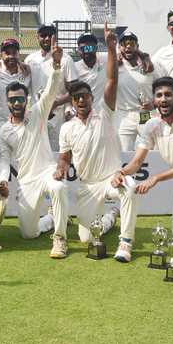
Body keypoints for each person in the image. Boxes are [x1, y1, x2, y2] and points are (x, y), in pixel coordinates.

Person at [56, 24, 138, 262]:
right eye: (77, 97)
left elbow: (111, 79)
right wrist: (61, 167)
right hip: (87, 186)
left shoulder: (105, 113)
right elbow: (64, 156)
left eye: (85, 96)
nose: (82, 100)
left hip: (112, 178)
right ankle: (111, 217)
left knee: (129, 187)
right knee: (85, 238)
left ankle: (126, 243)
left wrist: (112, 48)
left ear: (92, 98)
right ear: (72, 102)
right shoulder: (67, 127)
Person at [115, 77, 173, 268]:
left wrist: (155, 178)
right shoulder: (152, 125)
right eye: (159, 95)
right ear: (154, 100)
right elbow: (137, 162)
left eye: (168, 95)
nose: (163, 99)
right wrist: (121, 172)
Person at [0, 36, 70, 258]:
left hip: (47, 172)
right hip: (27, 181)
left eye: (21, 99)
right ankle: (52, 218)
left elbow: (50, 91)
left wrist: (57, 66)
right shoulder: (4, 130)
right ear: (7, 102)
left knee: (58, 188)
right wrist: (2, 179)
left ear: (26, 100)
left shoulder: (38, 113)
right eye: (13, 100)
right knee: (28, 233)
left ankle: (60, 239)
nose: (17, 103)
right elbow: (4, 159)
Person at [25, 23, 77, 150]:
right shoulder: (30, 59)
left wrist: (56, 103)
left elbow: (75, 90)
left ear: (56, 37)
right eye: (43, 35)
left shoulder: (66, 59)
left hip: (57, 116)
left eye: (50, 35)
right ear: (37, 37)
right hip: (36, 114)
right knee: (36, 152)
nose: (47, 38)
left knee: (56, 152)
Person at [114, 31, 164, 151]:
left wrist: (154, 104)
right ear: (119, 47)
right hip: (124, 115)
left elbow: (162, 87)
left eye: (131, 43)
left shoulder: (149, 66)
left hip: (146, 114)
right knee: (123, 152)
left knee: (152, 151)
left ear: (137, 46)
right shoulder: (115, 66)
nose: (128, 46)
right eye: (124, 44)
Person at [0, 38, 38, 151]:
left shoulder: (26, 73)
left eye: (14, 53)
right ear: (1, 54)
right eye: (7, 53)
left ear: (18, 54)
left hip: (19, 125)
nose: (11, 56)